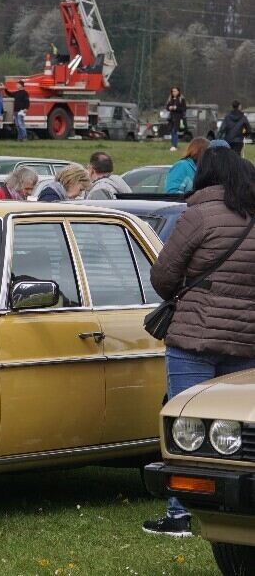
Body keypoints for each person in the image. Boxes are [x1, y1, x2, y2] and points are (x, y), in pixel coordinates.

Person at [143, 142, 255, 537]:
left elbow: (162, 277)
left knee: (186, 427)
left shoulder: (198, 215)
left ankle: (180, 513)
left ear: (205, 176)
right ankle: (234, 513)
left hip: (194, 336)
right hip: (245, 340)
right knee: (234, 434)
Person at [165, 87, 187, 152]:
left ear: (178, 92)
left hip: (178, 118)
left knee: (175, 131)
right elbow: (167, 107)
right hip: (171, 118)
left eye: (175, 91)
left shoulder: (181, 99)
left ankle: (174, 146)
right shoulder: (170, 99)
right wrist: (169, 107)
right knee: (171, 131)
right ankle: (173, 145)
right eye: (172, 91)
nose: (173, 92)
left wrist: (176, 108)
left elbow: (184, 109)